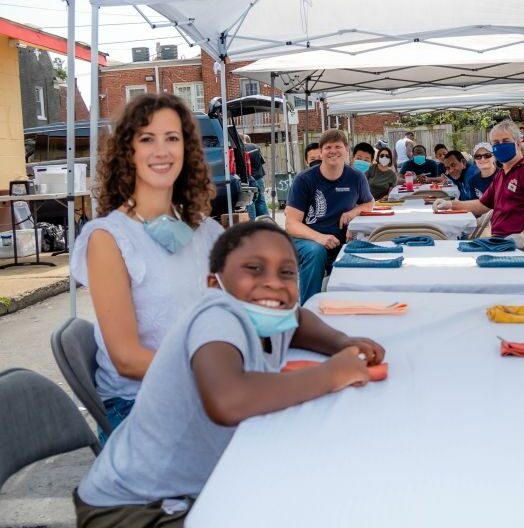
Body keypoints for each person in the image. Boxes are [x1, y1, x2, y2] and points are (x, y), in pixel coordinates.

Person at [74, 220, 384, 527]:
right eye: (253, 269)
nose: (273, 283)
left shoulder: (268, 316)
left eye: (286, 272)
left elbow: (298, 320)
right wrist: (330, 374)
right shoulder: (217, 316)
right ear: (214, 284)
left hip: (191, 488)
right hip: (135, 508)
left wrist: (342, 342)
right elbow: (229, 400)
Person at [72, 94, 223, 436]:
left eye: (172, 138)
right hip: (138, 406)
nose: (162, 150)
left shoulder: (206, 231)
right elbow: (126, 358)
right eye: (147, 139)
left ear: (187, 149)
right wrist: (214, 373)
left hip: (202, 389)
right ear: (128, 152)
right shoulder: (109, 239)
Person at [436, 119, 524, 255]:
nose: (500, 146)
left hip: (518, 244)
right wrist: (450, 204)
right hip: (498, 241)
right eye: (495, 143)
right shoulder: (502, 173)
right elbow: (483, 204)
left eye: (505, 141)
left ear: (518, 143)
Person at [285, 129, 373, 304]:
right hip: (307, 240)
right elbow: (291, 224)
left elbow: (369, 203)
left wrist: (352, 212)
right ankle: (309, 309)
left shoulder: (356, 177)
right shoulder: (304, 180)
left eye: (338, 146)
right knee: (315, 251)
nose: (333, 151)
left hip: (342, 239)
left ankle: (352, 306)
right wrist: (319, 238)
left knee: (367, 247)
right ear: (321, 151)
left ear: (347, 149)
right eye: (328, 147)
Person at [242, 134, 269, 220]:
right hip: (259, 177)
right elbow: (261, 162)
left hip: (249, 178)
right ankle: (265, 221)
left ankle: (252, 222)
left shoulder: (241, 148)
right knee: (261, 200)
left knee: (250, 201)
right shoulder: (255, 147)